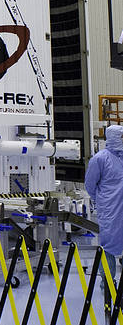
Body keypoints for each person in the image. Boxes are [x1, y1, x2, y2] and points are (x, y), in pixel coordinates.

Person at [86, 124, 123, 312]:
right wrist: (102, 201)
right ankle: (108, 283)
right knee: (108, 245)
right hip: (110, 209)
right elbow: (90, 185)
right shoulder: (100, 159)